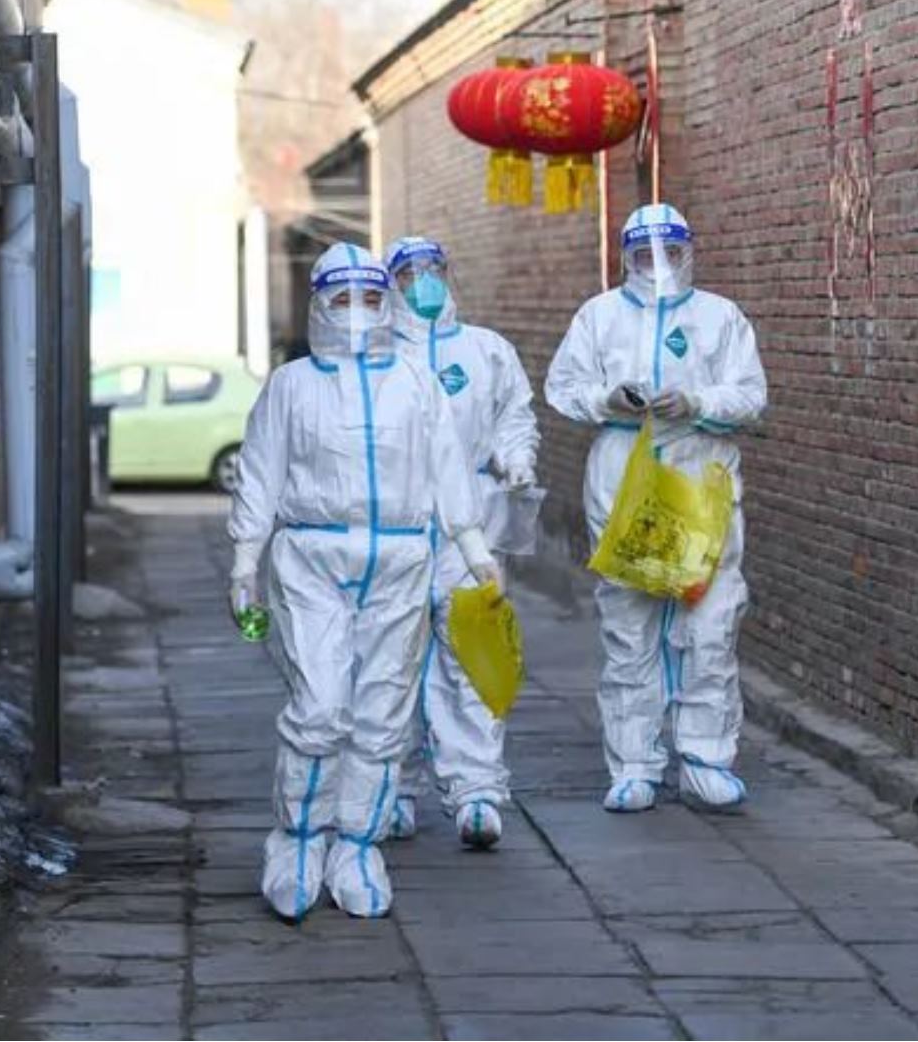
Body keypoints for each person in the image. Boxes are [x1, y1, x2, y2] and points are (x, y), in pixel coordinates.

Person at [227, 241, 500, 920]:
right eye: (342, 299)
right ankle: (298, 840)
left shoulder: (415, 382)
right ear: (319, 304)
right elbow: (259, 473)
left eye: (371, 298)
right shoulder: (291, 386)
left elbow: (446, 468)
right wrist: (244, 561)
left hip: (401, 558)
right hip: (310, 557)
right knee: (320, 708)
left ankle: (356, 844)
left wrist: (473, 547)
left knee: (382, 715)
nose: (357, 312)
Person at [544, 203, 767, 814]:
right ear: (626, 258)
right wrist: (609, 399)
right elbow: (563, 386)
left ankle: (706, 759)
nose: (659, 266)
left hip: (700, 475)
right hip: (624, 475)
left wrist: (696, 402)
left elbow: (751, 395)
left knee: (710, 623)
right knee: (629, 627)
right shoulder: (599, 316)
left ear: (689, 252)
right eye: (646, 256)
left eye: (671, 253)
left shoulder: (721, 317)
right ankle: (634, 765)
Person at [381, 236, 539, 850]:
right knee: (390, 661)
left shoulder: (485, 350)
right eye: (409, 273)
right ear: (391, 284)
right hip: (398, 523)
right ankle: (390, 788)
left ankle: (476, 791)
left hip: (469, 525)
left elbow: (513, 416)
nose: (423, 281)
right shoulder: (379, 356)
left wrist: (516, 460)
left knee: (471, 655)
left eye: (433, 270)